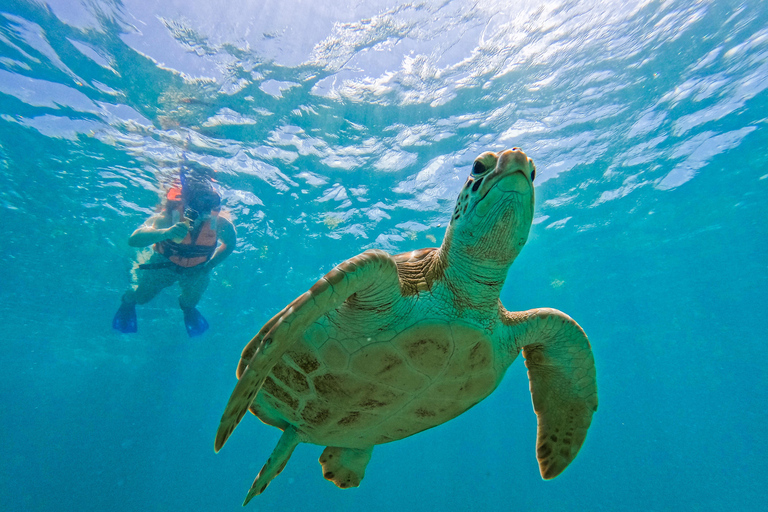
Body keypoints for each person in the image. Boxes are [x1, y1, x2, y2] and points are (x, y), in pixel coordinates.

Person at [112, 174, 237, 337]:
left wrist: (208, 267)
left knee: (190, 302)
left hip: (197, 270)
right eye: (197, 210)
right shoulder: (169, 217)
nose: (201, 216)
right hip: (163, 265)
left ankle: (188, 311)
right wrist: (165, 233)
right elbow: (134, 239)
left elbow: (230, 244)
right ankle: (129, 302)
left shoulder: (220, 224)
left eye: (207, 210)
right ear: (187, 205)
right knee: (141, 298)